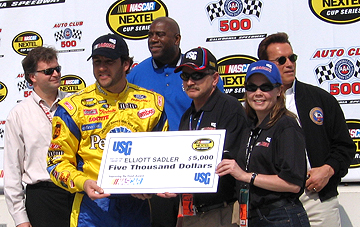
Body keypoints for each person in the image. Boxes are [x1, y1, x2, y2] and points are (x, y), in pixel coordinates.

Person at [46, 34, 168, 227]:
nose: (102, 68)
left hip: (137, 207)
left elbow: (163, 156)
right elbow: (56, 164)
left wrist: (152, 184)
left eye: (109, 62)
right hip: (92, 207)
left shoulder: (152, 103)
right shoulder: (73, 107)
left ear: (126, 64)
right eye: (97, 62)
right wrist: (83, 183)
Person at [127, 16, 223, 227]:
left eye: (160, 34)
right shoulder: (136, 74)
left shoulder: (200, 72)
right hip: (155, 169)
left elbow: (219, 111)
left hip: (193, 164)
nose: (153, 39)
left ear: (177, 39)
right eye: (150, 34)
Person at [257, 32, 356, 227]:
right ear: (265, 65)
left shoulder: (319, 99)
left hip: (316, 198)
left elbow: (344, 146)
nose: (289, 64)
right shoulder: (255, 106)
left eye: (292, 57)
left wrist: (328, 170)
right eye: (281, 60)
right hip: (274, 203)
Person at [216, 60, 310, 227]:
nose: (257, 93)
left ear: (279, 90)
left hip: (281, 216)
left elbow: (293, 184)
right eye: (252, 87)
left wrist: (246, 176)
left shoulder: (286, 125)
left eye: (265, 87)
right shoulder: (250, 126)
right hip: (253, 216)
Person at [174, 47, 247, 226]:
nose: (190, 82)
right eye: (185, 76)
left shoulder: (230, 108)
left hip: (222, 211)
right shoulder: (188, 115)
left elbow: (233, 161)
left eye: (197, 75)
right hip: (190, 211)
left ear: (214, 79)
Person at [4, 46, 73, 227]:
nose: (56, 74)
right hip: (43, 198)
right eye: (48, 71)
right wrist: (21, 219)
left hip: (77, 192)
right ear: (32, 77)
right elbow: (12, 170)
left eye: (58, 69)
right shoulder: (19, 114)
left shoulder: (74, 104)